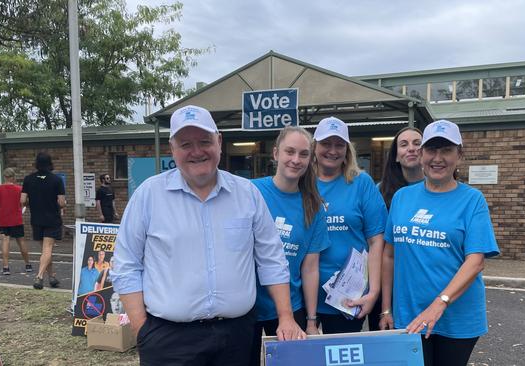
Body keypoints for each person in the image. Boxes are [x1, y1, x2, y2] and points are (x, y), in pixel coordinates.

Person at [111, 105, 305, 366]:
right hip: (168, 340)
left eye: (204, 141)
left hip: (236, 338)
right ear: (172, 149)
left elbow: (272, 259)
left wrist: (286, 316)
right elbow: (126, 266)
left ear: (219, 142)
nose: (197, 151)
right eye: (186, 144)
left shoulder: (247, 194)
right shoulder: (148, 196)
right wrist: (141, 329)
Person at [380, 120, 500, 366]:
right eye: (432, 150)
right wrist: (386, 309)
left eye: (446, 150)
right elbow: (389, 255)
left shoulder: (472, 200)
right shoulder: (402, 198)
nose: (438, 158)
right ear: (422, 154)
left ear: (459, 155)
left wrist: (439, 304)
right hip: (410, 315)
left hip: (457, 319)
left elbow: (475, 262)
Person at [249, 126, 330, 366]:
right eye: (289, 152)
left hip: (289, 307)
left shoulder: (314, 207)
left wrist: (312, 321)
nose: (296, 160)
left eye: (303, 154)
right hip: (247, 307)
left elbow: (310, 268)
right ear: (275, 153)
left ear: (310, 159)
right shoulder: (251, 191)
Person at [312, 117, 388, 334]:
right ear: (315, 146)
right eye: (326, 144)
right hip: (304, 293)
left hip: (347, 295)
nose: (333, 151)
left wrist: (373, 291)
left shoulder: (361, 183)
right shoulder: (301, 181)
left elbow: (376, 241)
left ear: (347, 150)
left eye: (339, 145)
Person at [368, 126, 424, 331]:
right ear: (396, 156)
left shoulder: (439, 189)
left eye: (417, 143)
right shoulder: (379, 191)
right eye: (404, 144)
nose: (411, 149)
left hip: (420, 282)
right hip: (386, 283)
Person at [21, 152, 66, 290]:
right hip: (52, 218)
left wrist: (33, 202)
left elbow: (22, 201)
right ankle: (39, 277)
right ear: (50, 163)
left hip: (36, 218)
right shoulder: (56, 180)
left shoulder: (28, 179)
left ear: (36, 163)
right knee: (48, 249)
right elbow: (62, 203)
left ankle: (52, 276)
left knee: (45, 250)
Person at [0, 168, 33, 275]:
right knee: (22, 242)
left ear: (4, 176)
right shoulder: (19, 189)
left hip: (3, 220)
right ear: (13, 177)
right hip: (17, 220)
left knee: (5, 242)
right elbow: (25, 202)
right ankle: (28, 265)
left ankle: (6, 267)